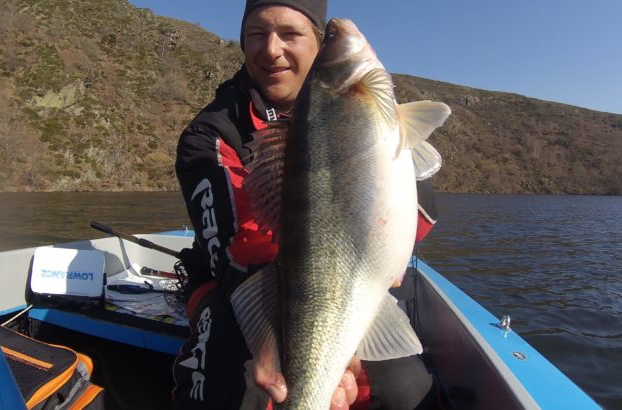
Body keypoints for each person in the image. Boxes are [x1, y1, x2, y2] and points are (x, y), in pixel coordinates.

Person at [173, 1, 438, 408]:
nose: (271, 49)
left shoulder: (364, 113)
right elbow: (234, 249)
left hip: (344, 287)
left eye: (290, 34)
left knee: (406, 388)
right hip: (240, 284)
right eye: (256, 34)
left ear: (317, 44)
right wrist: (275, 349)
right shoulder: (211, 134)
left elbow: (413, 211)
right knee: (227, 378)